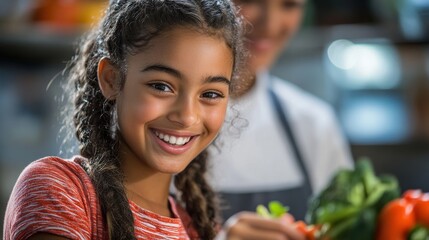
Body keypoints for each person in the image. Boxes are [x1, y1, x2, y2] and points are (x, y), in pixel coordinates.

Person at [2, 0, 256, 239]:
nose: (187, 116)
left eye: (210, 94)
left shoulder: (199, 229)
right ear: (111, 79)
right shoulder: (59, 188)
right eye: (161, 86)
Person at [210, 0, 354, 235]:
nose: (271, 25)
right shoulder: (157, 120)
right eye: (251, 1)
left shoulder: (315, 123)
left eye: (289, 5)